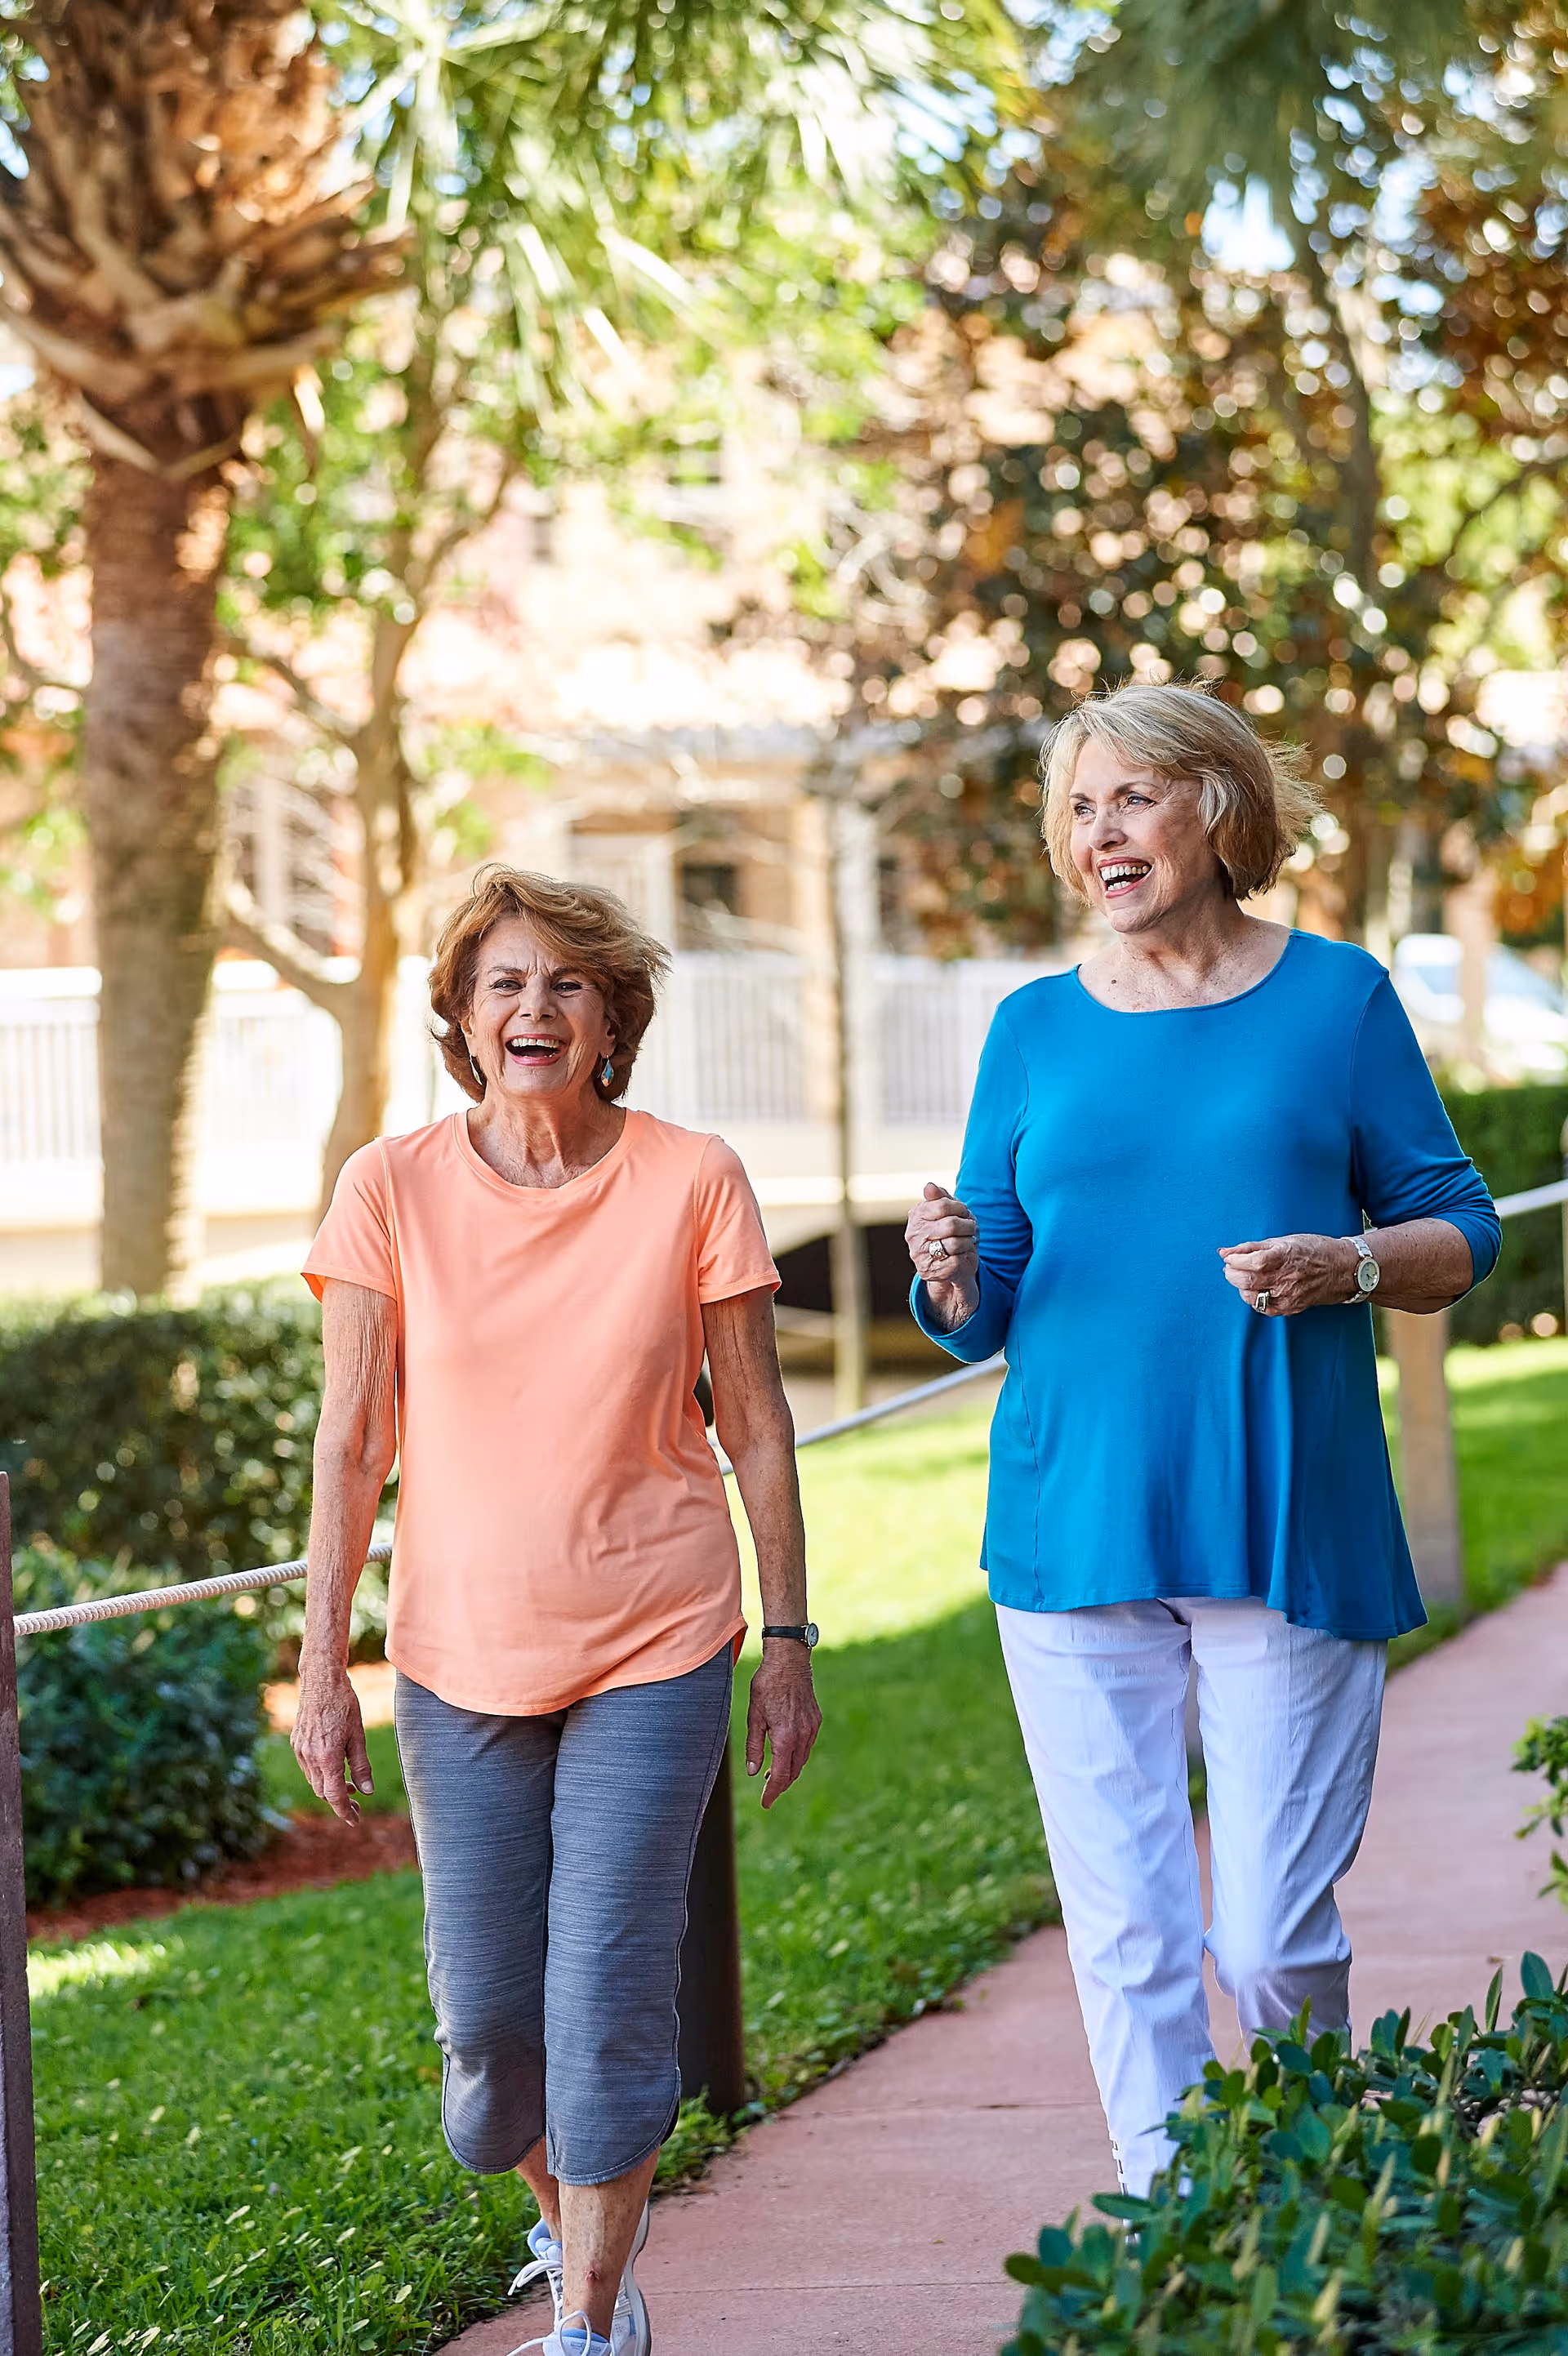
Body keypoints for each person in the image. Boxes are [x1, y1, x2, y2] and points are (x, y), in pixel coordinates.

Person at [905, 681, 1499, 2196]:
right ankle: (1176, 2229)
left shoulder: (1337, 998)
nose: (1104, 831)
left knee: (1270, 1931)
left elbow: (1459, 1227)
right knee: (1127, 1927)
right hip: (1074, 1514)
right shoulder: (1030, 1027)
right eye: (1083, 806)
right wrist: (956, 1271)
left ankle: (1312, 2200)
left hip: (1284, 1509)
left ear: (1219, 811)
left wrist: (1347, 1266)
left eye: (1135, 797)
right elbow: (992, 1292)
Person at [292, 866, 822, 2356]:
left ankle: (591, 2315)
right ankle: (566, 2212)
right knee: (487, 2040)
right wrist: (326, 1666)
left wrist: (785, 1645)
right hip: (457, 1657)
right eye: (505, 984)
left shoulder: (691, 1176)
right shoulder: (389, 1187)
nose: (536, 1008)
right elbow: (350, 1440)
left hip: (655, 1640)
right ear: (462, 1017)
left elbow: (761, 1426)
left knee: (606, 1996)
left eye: (568, 984)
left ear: (612, 1020)